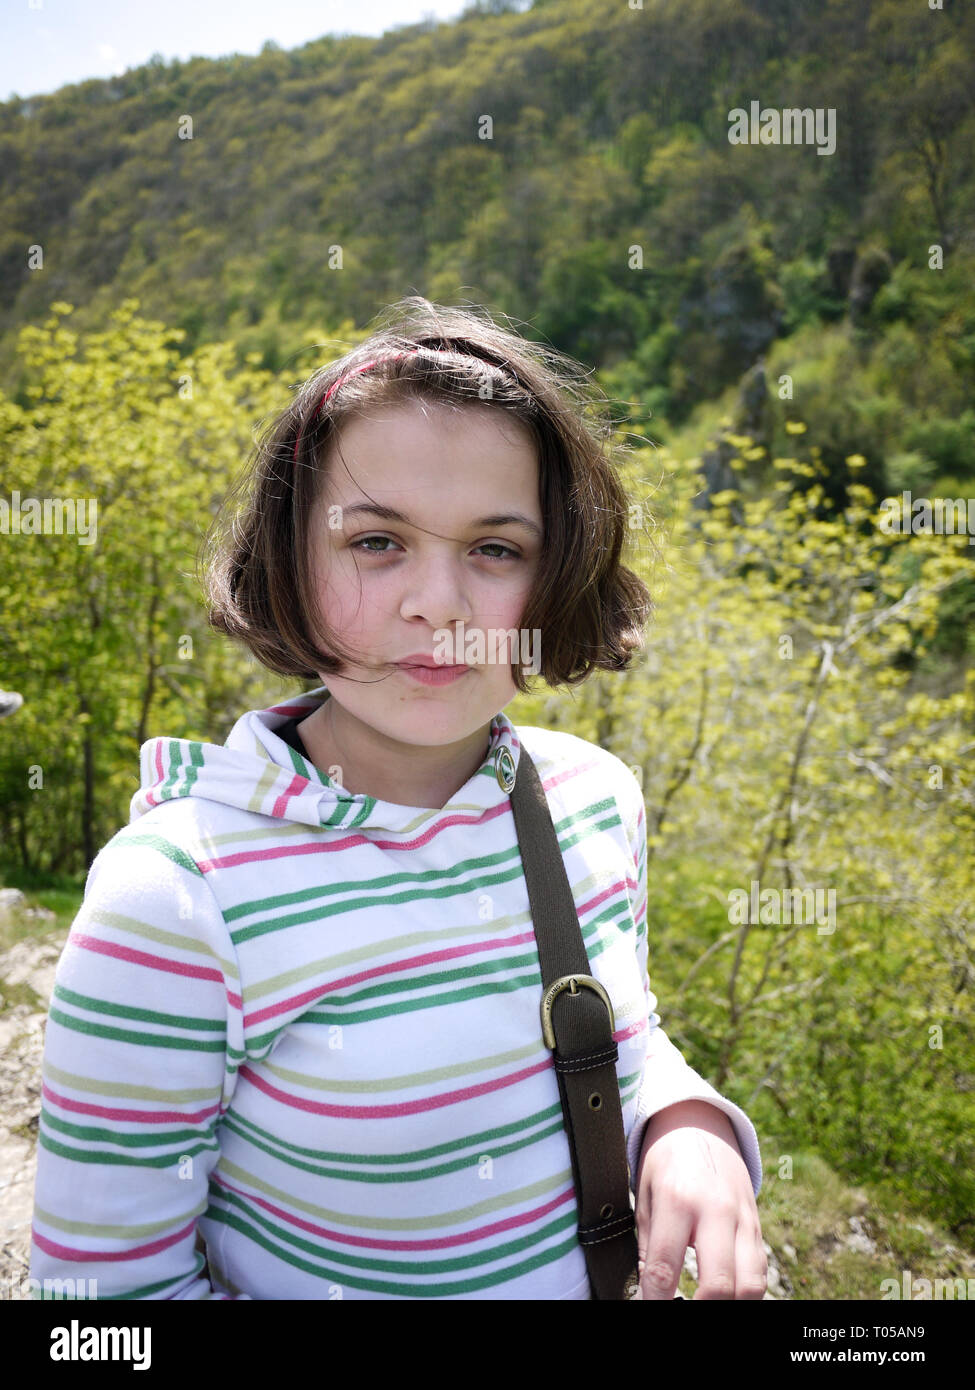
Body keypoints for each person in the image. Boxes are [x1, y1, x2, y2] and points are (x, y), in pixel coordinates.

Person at [29, 298, 766, 1300]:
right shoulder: (174, 902)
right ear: (291, 559)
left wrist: (689, 1122)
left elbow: (617, 1036)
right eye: (376, 542)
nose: (441, 603)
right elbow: (100, 1313)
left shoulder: (594, 799)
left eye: (496, 549)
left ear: (560, 575)